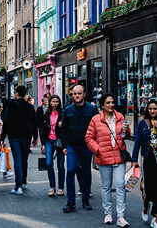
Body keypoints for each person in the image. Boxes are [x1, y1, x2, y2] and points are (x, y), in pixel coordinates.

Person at [86, 94, 130, 227]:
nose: (111, 105)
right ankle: (108, 213)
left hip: (118, 157)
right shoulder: (95, 120)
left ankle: (121, 216)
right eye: (108, 103)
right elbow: (88, 138)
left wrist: (126, 132)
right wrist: (98, 149)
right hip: (104, 157)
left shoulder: (120, 117)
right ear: (102, 105)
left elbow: (124, 136)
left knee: (120, 186)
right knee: (106, 187)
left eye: (112, 102)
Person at [131, 100, 157, 228]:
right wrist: (134, 159)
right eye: (150, 109)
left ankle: (155, 218)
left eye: (155, 108)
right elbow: (138, 141)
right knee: (148, 186)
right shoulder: (143, 124)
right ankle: (146, 206)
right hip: (148, 158)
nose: (152, 111)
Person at [61, 84, 99, 213]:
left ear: (84, 94)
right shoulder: (68, 110)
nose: (76, 96)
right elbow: (64, 129)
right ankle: (70, 202)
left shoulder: (92, 109)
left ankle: (85, 200)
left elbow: (97, 128)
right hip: (72, 145)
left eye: (79, 93)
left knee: (86, 172)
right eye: (74, 94)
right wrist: (64, 146)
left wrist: (95, 145)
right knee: (70, 171)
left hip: (87, 146)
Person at [2, 85, 39, 194]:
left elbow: (7, 121)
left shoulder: (11, 105)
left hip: (14, 136)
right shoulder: (30, 107)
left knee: (17, 160)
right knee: (24, 159)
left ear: (17, 93)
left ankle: (18, 186)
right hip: (26, 136)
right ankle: (23, 182)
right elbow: (34, 123)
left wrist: (2, 137)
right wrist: (35, 137)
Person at [39, 94, 65, 197]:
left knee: (61, 165)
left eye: (57, 102)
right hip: (49, 141)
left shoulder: (63, 114)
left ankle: (61, 187)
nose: (55, 103)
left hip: (59, 141)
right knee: (49, 163)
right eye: (53, 101)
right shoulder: (46, 114)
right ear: (50, 102)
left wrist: (62, 124)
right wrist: (43, 144)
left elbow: (66, 128)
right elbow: (42, 130)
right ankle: (52, 186)